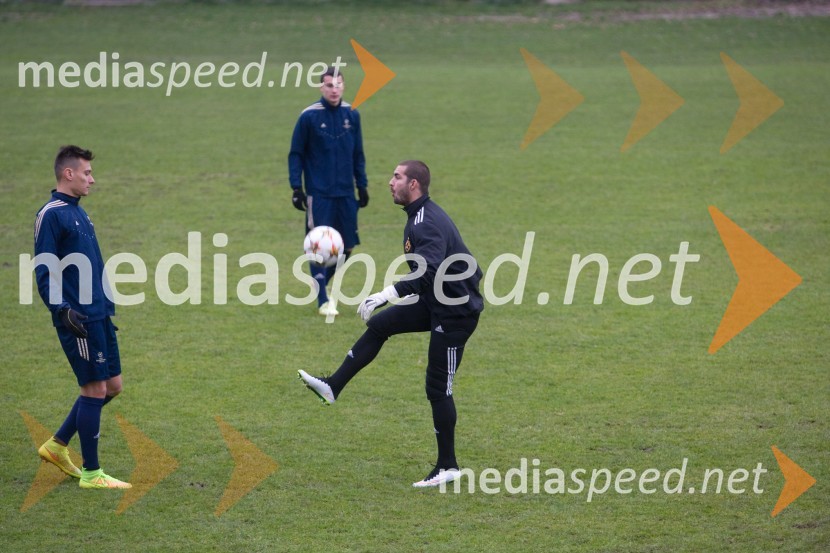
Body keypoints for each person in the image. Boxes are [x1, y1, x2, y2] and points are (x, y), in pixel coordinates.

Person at [299, 160, 483, 488]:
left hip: (456, 312)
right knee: (381, 325)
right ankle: (333, 386)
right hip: (436, 301)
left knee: (438, 387)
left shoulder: (426, 223)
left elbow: (427, 271)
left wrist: (387, 293)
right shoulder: (417, 216)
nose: (390, 182)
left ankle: (448, 466)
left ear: (414, 184)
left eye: (397, 177)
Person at [33, 145, 131, 489]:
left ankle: (57, 445)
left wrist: (105, 308)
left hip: (98, 314)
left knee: (112, 387)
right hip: (77, 318)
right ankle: (92, 473)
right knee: (94, 388)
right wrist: (62, 310)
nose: (92, 179)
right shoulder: (51, 214)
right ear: (68, 173)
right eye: (87, 173)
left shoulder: (78, 212)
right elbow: (44, 270)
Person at [288, 66, 369, 317]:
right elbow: (296, 154)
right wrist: (296, 187)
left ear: (344, 86)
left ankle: (320, 282)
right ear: (321, 87)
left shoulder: (352, 114)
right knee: (317, 247)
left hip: (346, 193)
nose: (334, 90)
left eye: (338, 85)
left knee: (348, 247)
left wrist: (362, 185)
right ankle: (323, 299)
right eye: (329, 85)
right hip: (319, 194)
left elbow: (358, 153)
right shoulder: (308, 116)